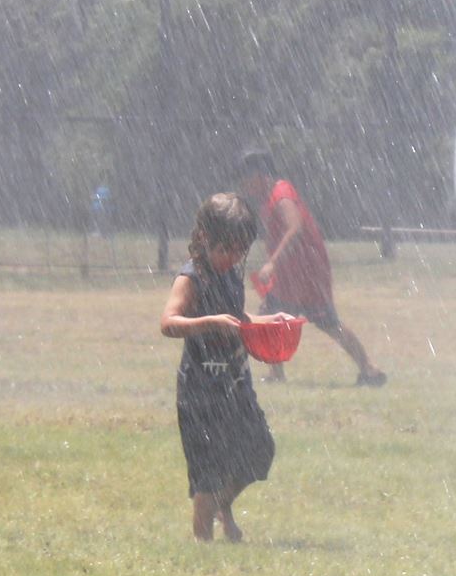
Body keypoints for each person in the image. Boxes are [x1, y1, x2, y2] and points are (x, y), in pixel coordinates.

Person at [161, 192, 282, 542]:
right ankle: (203, 544)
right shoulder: (191, 278)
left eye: (240, 251)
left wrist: (263, 322)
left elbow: (235, 318)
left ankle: (221, 507)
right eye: (226, 250)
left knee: (259, 449)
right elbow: (168, 322)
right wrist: (208, 322)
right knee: (209, 470)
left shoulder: (230, 273)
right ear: (204, 238)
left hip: (235, 384)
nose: (233, 258)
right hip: (201, 390)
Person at [235, 150, 385, 387]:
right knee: (271, 318)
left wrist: (272, 262)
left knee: (328, 323)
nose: (243, 184)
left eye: (246, 178)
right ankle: (277, 374)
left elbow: (295, 228)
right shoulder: (270, 197)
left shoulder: (281, 195)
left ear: (261, 175)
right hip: (292, 276)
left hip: (306, 276)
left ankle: (369, 369)